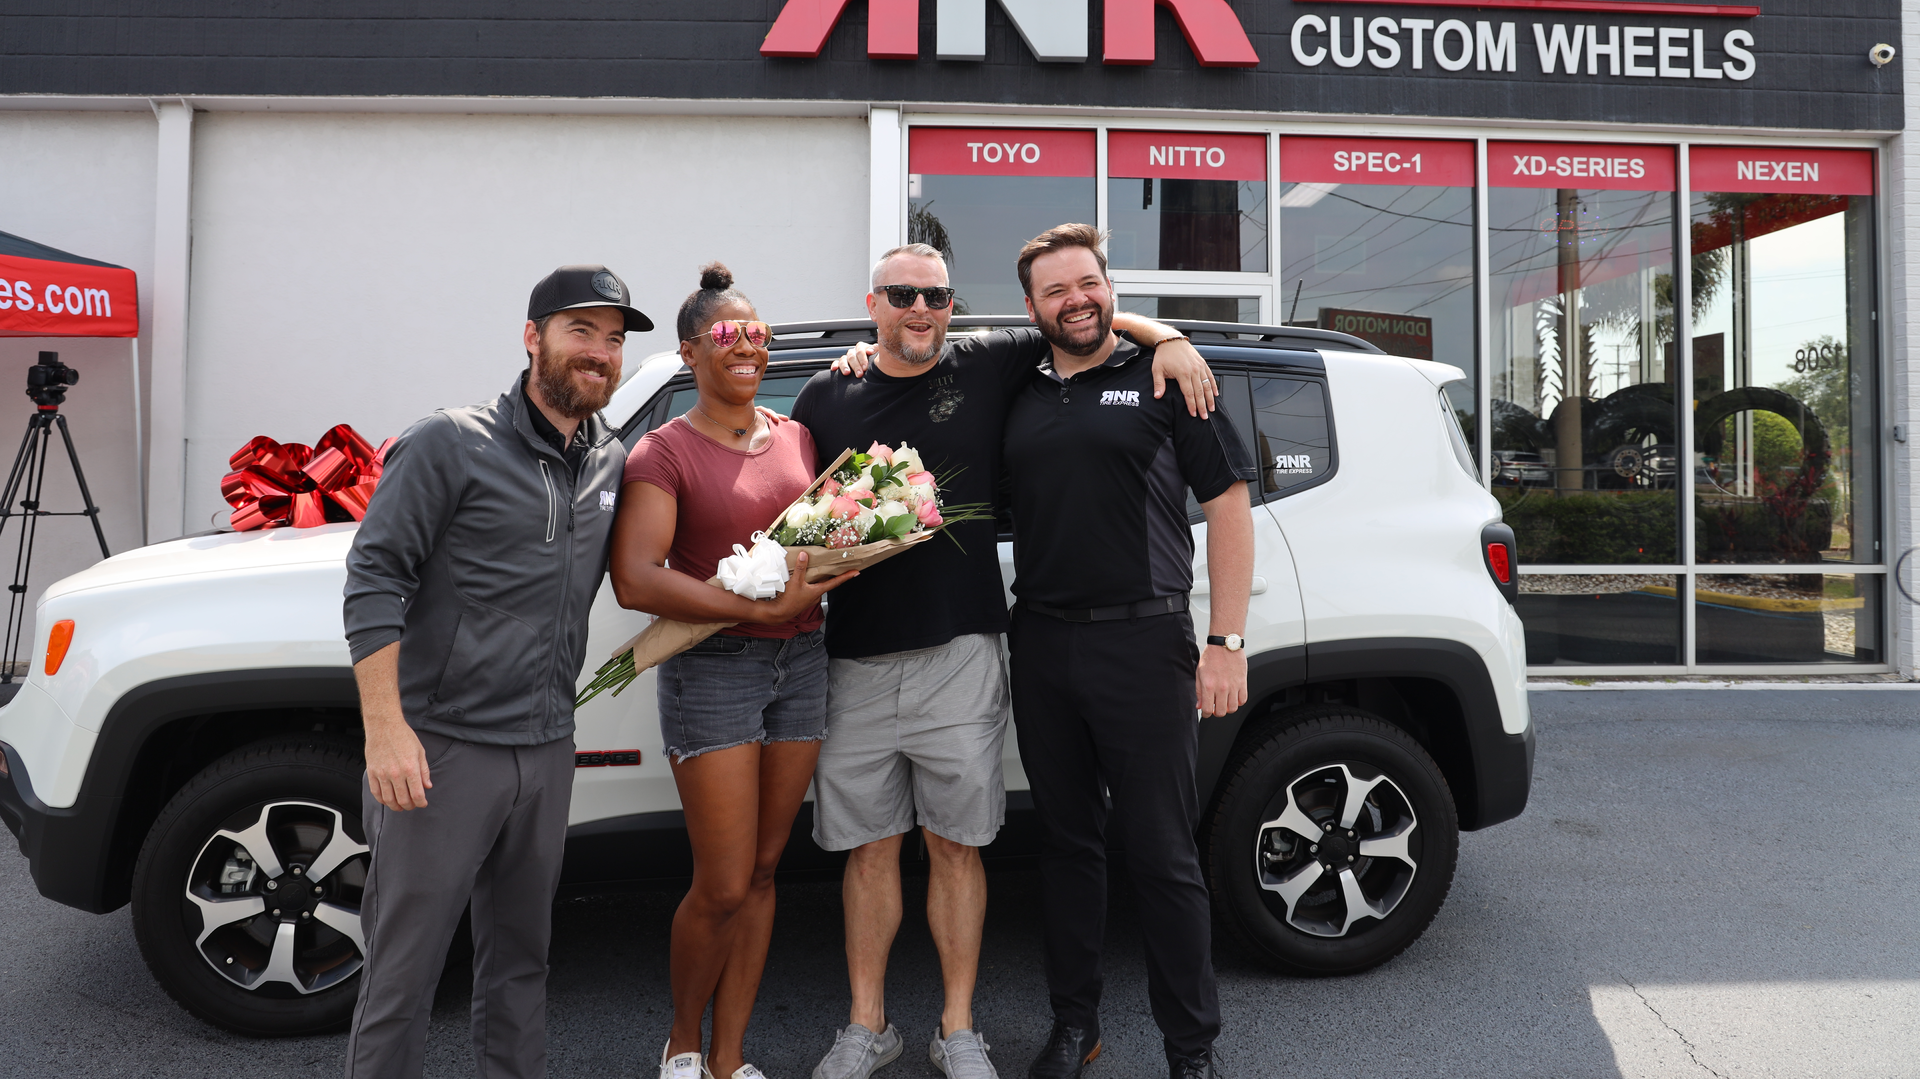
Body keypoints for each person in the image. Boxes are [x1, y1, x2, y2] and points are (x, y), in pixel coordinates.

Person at [792, 243, 1218, 1079]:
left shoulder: (989, 360)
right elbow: (793, 512)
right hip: (865, 657)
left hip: (969, 647)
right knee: (872, 847)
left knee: (966, 844)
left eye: (937, 294)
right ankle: (866, 1026)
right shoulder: (823, 392)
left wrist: (1169, 338)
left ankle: (960, 1030)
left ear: (956, 304)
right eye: (901, 294)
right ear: (871, 301)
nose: (920, 308)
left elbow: (1082, 321)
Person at [340, 264, 649, 1078]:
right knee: (403, 972)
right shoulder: (450, 440)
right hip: (442, 749)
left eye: (613, 340)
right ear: (532, 337)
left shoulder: (609, 458)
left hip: (546, 746)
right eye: (580, 331)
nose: (600, 353)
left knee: (520, 961)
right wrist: (386, 729)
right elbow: (374, 577)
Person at [1002, 225, 1254, 1079]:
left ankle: (1192, 1048)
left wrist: (1225, 642)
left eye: (1088, 283)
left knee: (1161, 853)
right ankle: (1077, 1025)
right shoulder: (1017, 385)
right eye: (1055, 290)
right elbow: (918, 355)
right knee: (1068, 845)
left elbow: (1227, 505)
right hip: (1039, 641)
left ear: (1111, 287)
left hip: (1144, 642)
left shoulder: (1164, 376)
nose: (1075, 300)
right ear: (1031, 307)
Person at [609, 263, 858, 1079]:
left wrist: (840, 562)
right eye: (728, 333)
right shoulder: (662, 450)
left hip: (804, 661)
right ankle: (682, 1041)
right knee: (718, 882)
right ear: (690, 353)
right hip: (713, 667)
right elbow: (637, 577)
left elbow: (819, 538)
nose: (748, 345)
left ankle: (730, 1057)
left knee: (760, 870)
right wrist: (749, 609)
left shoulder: (796, 437)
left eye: (758, 331)